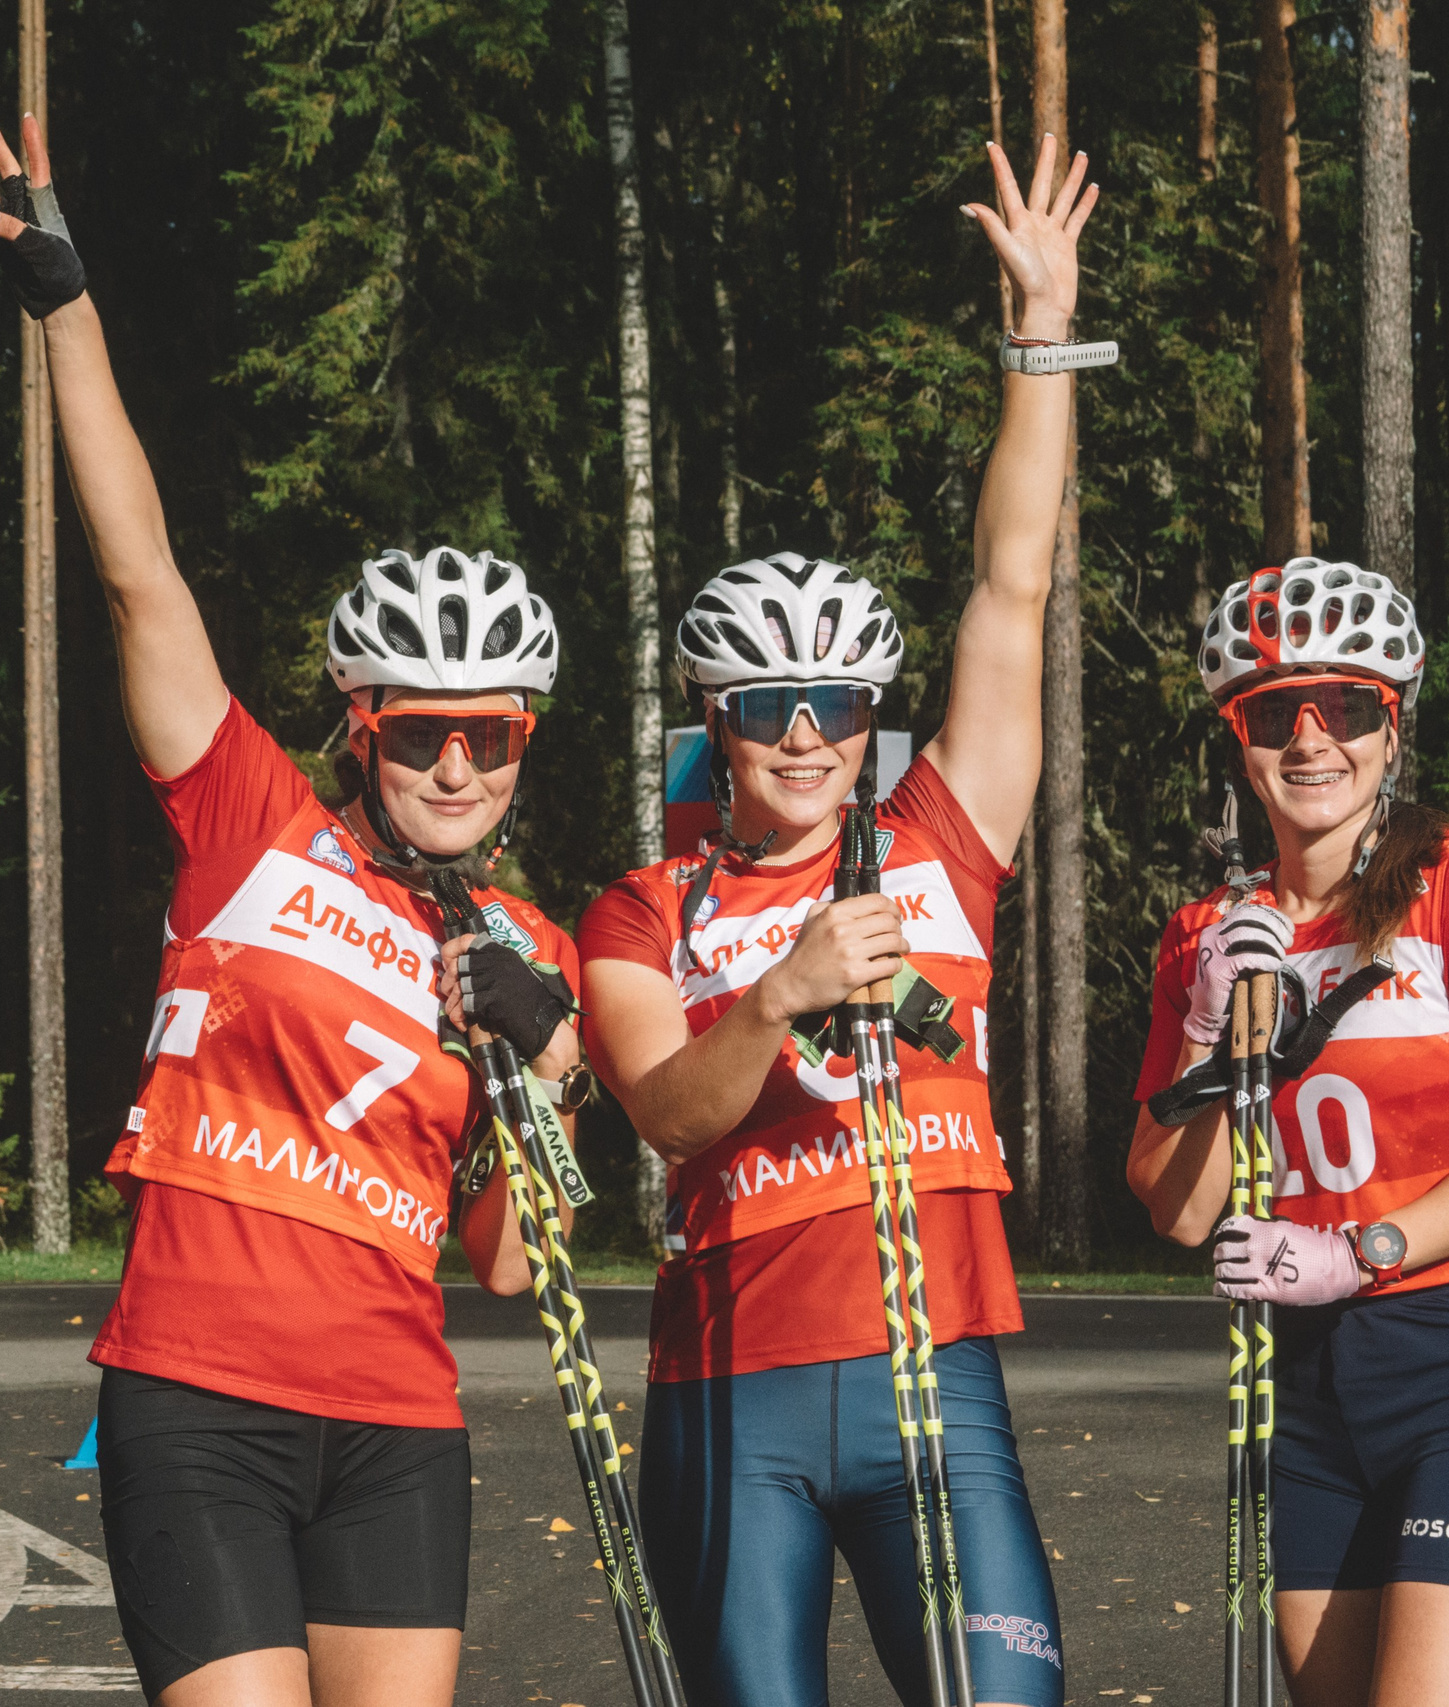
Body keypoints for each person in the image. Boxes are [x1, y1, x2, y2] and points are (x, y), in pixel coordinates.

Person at [0, 111, 585, 1707]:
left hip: (398, 1423)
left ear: (521, 746)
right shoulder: (253, 825)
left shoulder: (533, 946)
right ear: (362, 728)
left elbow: (518, 1268)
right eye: (420, 731)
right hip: (197, 1395)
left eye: (490, 736)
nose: (456, 764)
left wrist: (553, 1059)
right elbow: (141, 578)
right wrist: (64, 301)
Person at [579, 136, 1099, 1707]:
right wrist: (781, 990)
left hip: (935, 1375)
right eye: (769, 707)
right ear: (717, 723)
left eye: (839, 706)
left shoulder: (943, 832)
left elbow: (1012, 587)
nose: (808, 738)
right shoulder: (643, 901)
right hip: (732, 1395)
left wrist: (1041, 338)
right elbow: (666, 1107)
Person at [1124, 561, 1449, 1706]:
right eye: (1276, 712)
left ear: (1392, 729)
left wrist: (1359, 1251)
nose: (1311, 741)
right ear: (1240, 738)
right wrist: (1203, 1021)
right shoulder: (1205, 937)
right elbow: (1178, 1209)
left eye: (1349, 709)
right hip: (1307, 1396)